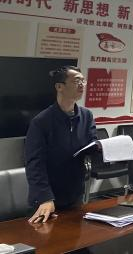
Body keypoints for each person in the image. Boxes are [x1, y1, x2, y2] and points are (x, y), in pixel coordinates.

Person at [25, 66, 97, 223]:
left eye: (83, 81)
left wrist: (105, 149)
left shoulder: (86, 116)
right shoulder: (41, 122)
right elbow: (34, 164)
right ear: (59, 87)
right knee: (46, 236)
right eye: (76, 81)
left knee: (75, 235)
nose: (81, 85)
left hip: (74, 193)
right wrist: (45, 197)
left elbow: (92, 143)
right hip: (48, 198)